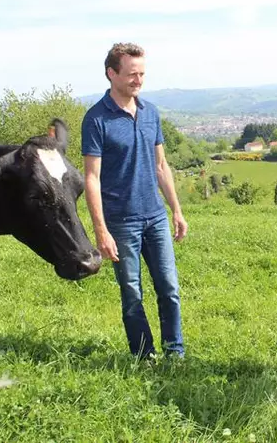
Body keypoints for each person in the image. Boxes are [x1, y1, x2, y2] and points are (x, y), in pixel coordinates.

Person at [81, 42, 187, 359]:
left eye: (141, 73)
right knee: (132, 293)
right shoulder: (96, 120)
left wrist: (177, 211)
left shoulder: (150, 112)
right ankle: (144, 356)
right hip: (121, 221)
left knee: (169, 289)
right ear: (111, 73)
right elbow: (92, 178)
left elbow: (160, 166)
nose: (138, 80)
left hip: (155, 217)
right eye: (131, 74)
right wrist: (101, 231)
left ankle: (175, 352)